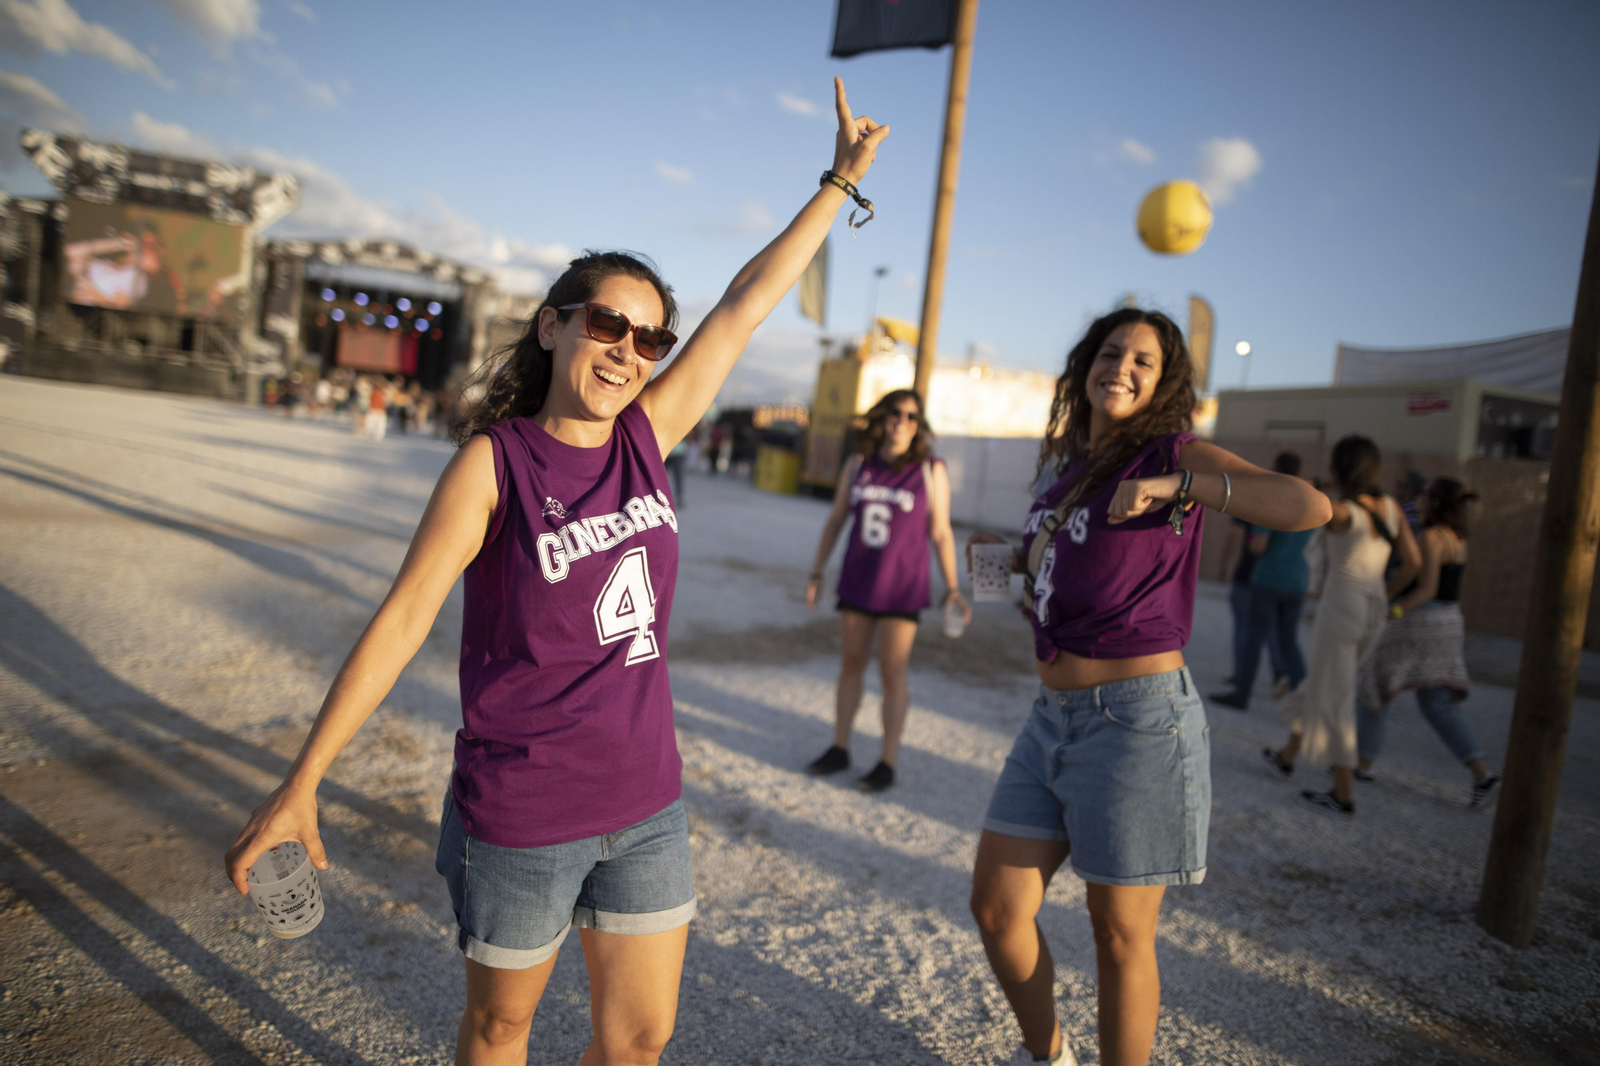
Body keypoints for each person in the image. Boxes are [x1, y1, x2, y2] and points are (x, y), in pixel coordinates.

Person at [224, 78, 890, 1066]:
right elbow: (405, 617)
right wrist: (302, 780)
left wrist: (838, 181)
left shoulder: (650, 436)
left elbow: (746, 304)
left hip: (646, 803)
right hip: (523, 808)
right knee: (500, 1030)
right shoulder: (493, 464)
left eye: (648, 337)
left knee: (639, 1042)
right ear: (552, 326)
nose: (627, 350)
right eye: (606, 324)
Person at [965, 309, 1329, 1066]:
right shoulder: (1063, 472)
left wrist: (1182, 483)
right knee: (998, 909)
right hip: (1051, 719)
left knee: (1120, 933)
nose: (1122, 367)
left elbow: (1309, 507)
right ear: (1085, 365)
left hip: (1138, 723)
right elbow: (1055, 581)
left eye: (1143, 361)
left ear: (1165, 384)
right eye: (1110, 352)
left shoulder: (1172, 452)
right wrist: (1002, 570)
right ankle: (1051, 1055)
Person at [802, 389, 969, 792]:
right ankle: (840, 746)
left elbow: (941, 532)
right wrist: (817, 572)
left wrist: (952, 587)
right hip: (858, 580)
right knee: (850, 665)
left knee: (893, 672)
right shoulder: (859, 464)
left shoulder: (931, 468)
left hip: (903, 588)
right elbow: (836, 519)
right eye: (895, 413)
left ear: (919, 426)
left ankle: (886, 761)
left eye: (912, 417)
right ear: (882, 417)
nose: (902, 421)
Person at [1265, 435, 1421, 816]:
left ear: (1340, 466)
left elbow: (1303, 505)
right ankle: (1287, 755)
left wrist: (1316, 485)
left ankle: (1343, 791)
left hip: (1341, 608)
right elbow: (1413, 563)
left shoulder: (1342, 511)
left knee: (1335, 694)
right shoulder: (1390, 507)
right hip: (1375, 607)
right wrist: (1385, 591)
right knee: (1325, 680)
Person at [1356, 477, 1500, 808]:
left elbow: (1427, 588)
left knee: (1374, 685)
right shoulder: (1458, 538)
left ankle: (1359, 765)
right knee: (1437, 702)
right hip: (1450, 621)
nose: (1418, 501)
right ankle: (1482, 774)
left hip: (1424, 622)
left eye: (1424, 496)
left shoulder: (1432, 537)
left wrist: (1391, 609)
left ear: (1434, 502)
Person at [1211, 451, 1312, 710]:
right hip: (1297, 580)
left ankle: (1241, 694)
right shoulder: (1308, 499)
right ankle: (1306, 696)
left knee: (1253, 640)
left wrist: (1251, 540)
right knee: (1288, 641)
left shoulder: (1273, 499)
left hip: (1268, 579)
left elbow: (1258, 546)